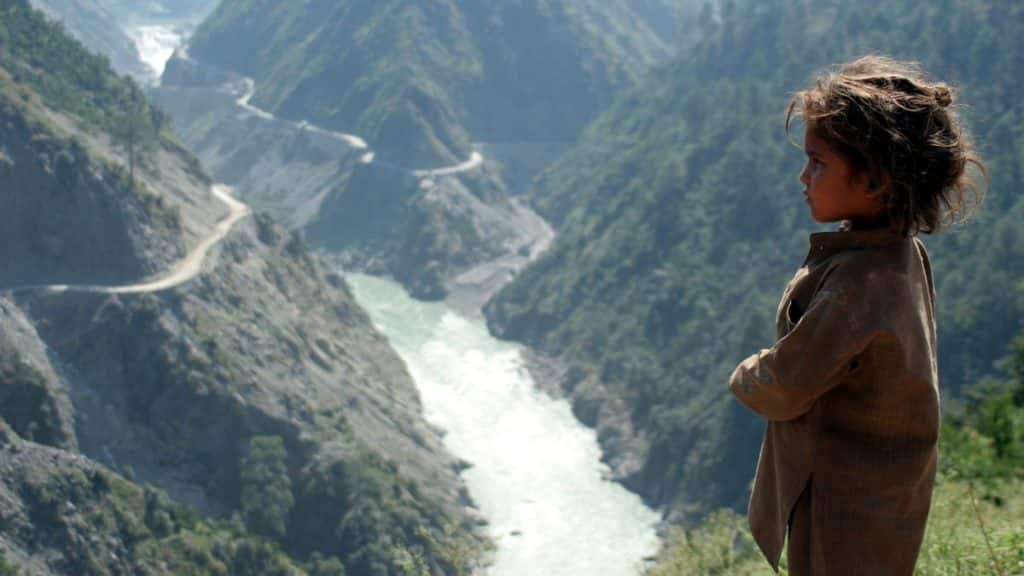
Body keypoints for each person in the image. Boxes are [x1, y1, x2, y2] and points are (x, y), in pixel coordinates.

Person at [728, 55, 985, 575]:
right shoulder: (900, 254)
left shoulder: (858, 285)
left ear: (875, 180)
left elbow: (786, 384)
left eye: (818, 163)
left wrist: (743, 375)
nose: (804, 176)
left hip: (842, 508)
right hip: (884, 500)